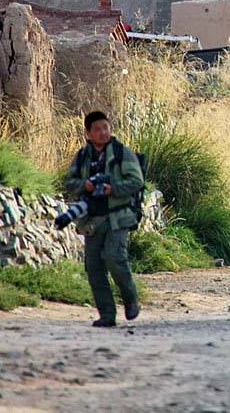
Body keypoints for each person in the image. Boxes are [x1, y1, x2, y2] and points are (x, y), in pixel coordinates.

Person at [64, 110, 144, 328]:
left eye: (105, 127)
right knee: (94, 267)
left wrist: (114, 189)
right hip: (93, 219)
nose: (103, 132)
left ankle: (130, 300)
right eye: (97, 129)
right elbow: (69, 181)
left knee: (115, 258)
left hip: (118, 216)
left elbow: (136, 180)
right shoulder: (82, 157)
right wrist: (85, 186)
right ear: (88, 133)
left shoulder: (121, 153)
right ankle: (107, 314)